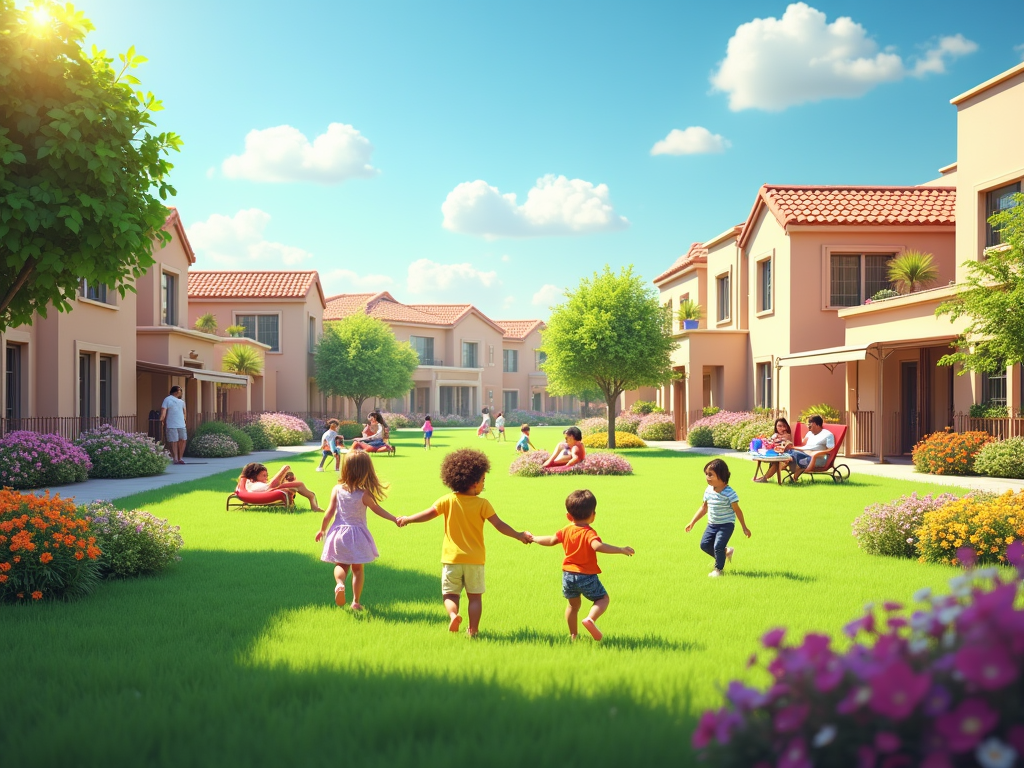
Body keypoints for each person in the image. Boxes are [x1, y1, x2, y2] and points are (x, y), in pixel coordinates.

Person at [396, 449, 532, 636]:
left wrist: (409, 519)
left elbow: (428, 514)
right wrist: (518, 535)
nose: (484, 484)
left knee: (450, 595)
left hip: (451, 560)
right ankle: (473, 630)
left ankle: (453, 615)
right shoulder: (483, 504)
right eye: (483, 480)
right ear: (474, 483)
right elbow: (499, 525)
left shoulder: (448, 500)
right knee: (474, 598)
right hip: (475, 560)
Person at [528, 489, 634, 641]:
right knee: (603, 599)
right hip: (586, 576)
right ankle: (590, 619)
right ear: (593, 515)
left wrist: (533, 538)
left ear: (568, 516)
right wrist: (621, 550)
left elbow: (551, 540)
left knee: (572, 606)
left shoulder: (566, 530)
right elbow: (597, 546)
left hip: (568, 576)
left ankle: (573, 635)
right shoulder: (589, 532)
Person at [315, 451, 399, 610]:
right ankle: (355, 602)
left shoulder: (337, 489)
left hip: (338, 534)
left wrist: (322, 530)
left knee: (341, 564)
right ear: (366, 471)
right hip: (358, 535)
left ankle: (339, 583)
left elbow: (329, 513)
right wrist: (394, 519)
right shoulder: (364, 494)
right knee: (358, 569)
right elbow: (378, 510)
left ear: (346, 468)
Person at [685, 459, 751, 578]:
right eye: (706, 474)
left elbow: (737, 510)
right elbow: (704, 508)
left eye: (710, 474)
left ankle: (718, 569)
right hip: (712, 524)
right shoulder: (708, 490)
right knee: (704, 545)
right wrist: (692, 522)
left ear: (721, 475)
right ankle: (726, 552)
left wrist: (744, 527)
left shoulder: (729, 493)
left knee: (718, 546)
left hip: (726, 525)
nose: (707, 477)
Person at [239, 462, 322, 511]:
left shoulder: (249, 483)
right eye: (263, 476)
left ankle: (312, 500)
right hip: (267, 492)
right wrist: (284, 470)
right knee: (299, 484)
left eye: (266, 475)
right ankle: (313, 503)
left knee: (298, 484)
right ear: (253, 475)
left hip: (268, 491)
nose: (266, 478)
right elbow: (270, 487)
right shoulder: (254, 485)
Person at [789, 415, 836, 481]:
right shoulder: (809, 433)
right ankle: (790, 470)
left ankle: (794, 477)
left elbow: (830, 450)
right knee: (790, 452)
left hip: (817, 458)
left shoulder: (828, 435)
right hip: (804, 455)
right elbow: (803, 445)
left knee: (797, 458)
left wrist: (815, 454)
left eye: (810, 423)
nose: (808, 426)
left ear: (815, 424)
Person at [756, 417, 795, 484]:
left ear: (786, 427)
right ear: (776, 427)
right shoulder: (775, 435)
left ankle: (764, 478)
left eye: (783, 426)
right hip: (775, 454)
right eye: (779, 426)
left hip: (785, 457)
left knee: (777, 463)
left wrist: (775, 439)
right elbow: (769, 443)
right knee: (771, 459)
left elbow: (783, 444)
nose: (781, 428)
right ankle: (764, 477)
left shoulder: (787, 435)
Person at [160, 385, 187, 465]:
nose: (181, 393)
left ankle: (179, 458)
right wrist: (162, 420)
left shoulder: (182, 402)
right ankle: (176, 458)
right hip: (172, 424)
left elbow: (184, 413)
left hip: (181, 424)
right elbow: (163, 411)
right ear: (177, 392)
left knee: (182, 440)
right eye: (180, 391)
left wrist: (185, 421)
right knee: (174, 441)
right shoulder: (167, 400)